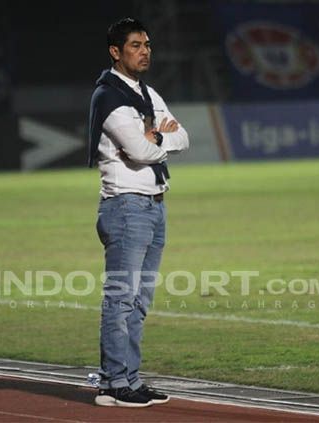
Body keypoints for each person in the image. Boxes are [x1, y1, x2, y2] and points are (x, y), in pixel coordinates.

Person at [88, 17, 189, 408]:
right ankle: (113, 382)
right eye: (135, 45)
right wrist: (158, 140)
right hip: (127, 207)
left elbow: (182, 136)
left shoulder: (146, 92)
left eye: (147, 44)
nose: (144, 51)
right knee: (121, 299)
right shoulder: (109, 96)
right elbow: (139, 151)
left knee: (139, 301)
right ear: (116, 52)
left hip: (154, 205)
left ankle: (129, 378)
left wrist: (159, 136)